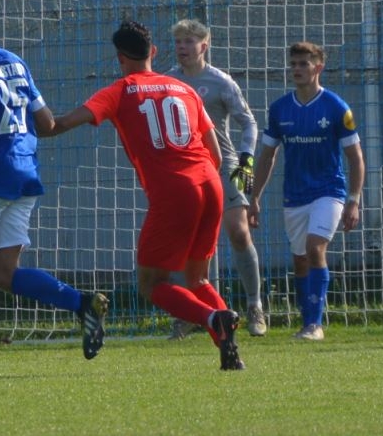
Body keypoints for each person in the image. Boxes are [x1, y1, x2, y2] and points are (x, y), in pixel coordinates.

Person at [42, 20, 244, 371]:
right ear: (153, 51)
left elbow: (58, 125)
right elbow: (214, 151)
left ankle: (212, 319)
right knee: (197, 279)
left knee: (152, 284)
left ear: (120, 58)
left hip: (175, 191)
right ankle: (229, 345)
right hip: (210, 184)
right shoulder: (184, 88)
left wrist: (22, 120)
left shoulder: (119, 90)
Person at [0, 0, 110, 378]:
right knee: (3, 272)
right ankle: (81, 303)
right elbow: (46, 124)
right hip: (26, 173)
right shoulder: (16, 62)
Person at [247, 41, 365, 341]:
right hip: (294, 195)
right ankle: (305, 322)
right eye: (294, 64)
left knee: (315, 248)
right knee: (300, 258)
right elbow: (267, 156)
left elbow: (355, 157)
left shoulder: (337, 107)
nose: (297, 69)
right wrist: (254, 197)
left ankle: (315, 325)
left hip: (329, 191)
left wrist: (354, 200)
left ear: (318, 68)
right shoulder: (280, 109)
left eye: (304, 64)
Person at [164, 19, 267, 337]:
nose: (182, 47)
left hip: (227, 165)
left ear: (204, 46)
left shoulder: (221, 81)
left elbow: (249, 123)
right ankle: (189, 313)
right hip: (186, 168)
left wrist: (247, 160)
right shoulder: (167, 81)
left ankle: (255, 306)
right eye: (178, 42)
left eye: (188, 41)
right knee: (186, 241)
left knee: (238, 231)